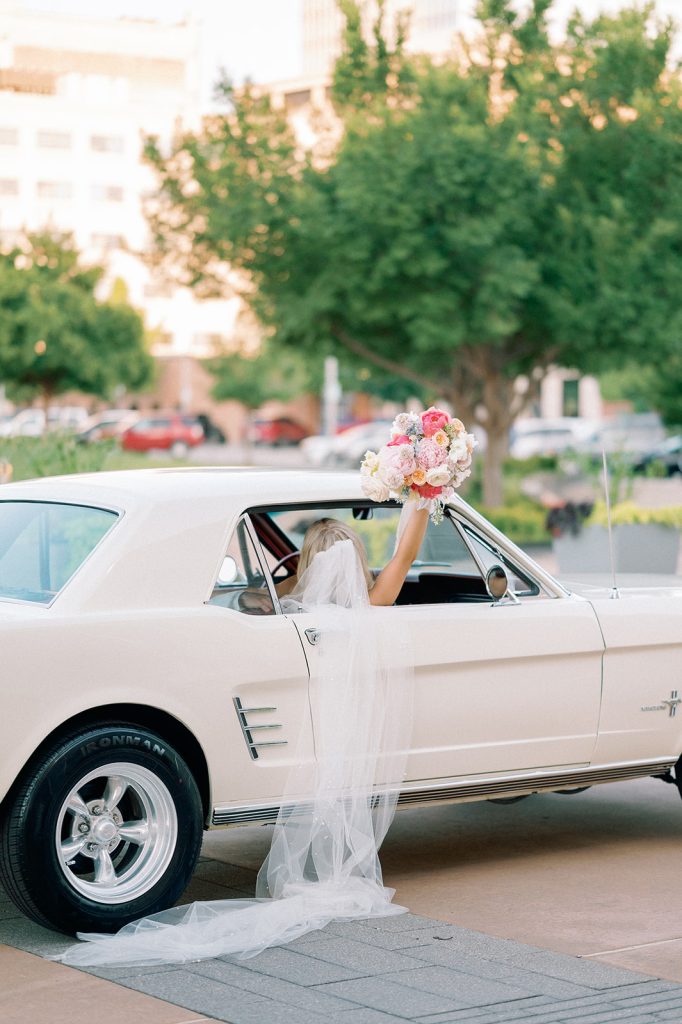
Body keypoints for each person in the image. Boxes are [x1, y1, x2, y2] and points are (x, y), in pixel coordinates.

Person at [54, 501, 425, 968]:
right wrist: (421, 500)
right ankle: (336, 868)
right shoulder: (374, 604)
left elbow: (254, 597)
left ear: (308, 562)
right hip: (349, 733)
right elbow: (405, 556)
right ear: (356, 559)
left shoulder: (295, 602)